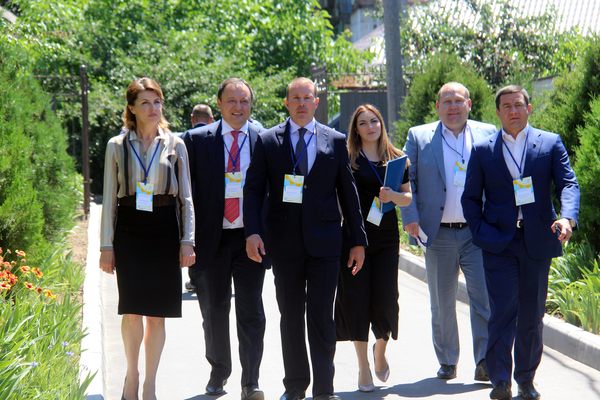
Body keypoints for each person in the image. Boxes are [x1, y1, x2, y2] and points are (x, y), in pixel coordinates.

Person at [244, 77, 367, 400]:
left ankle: (324, 389)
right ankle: (295, 386)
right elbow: (253, 190)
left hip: (325, 244)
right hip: (284, 245)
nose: (301, 103)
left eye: (307, 97)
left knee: (322, 316)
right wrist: (252, 232)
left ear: (316, 102)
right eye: (295, 98)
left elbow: (348, 193)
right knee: (291, 317)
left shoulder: (335, 140)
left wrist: (357, 240)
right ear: (286, 103)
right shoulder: (268, 140)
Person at [462, 85, 580, 400]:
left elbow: (568, 183)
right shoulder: (483, 149)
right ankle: (500, 381)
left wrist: (567, 218)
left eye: (518, 105)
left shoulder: (550, 143)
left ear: (529, 108)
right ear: (498, 112)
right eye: (507, 106)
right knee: (502, 311)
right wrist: (481, 233)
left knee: (531, 314)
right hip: (498, 243)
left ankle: (526, 380)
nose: (513, 111)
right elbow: (470, 198)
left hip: (537, 241)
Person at [99, 77, 196, 400]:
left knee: (157, 313)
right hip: (129, 230)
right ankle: (132, 375)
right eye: (145, 103)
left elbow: (186, 198)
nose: (153, 108)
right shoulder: (116, 145)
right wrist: (106, 246)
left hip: (164, 229)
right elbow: (109, 201)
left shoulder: (176, 144)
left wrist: (187, 240)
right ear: (131, 108)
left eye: (157, 102)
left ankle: (150, 383)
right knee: (132, 309)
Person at [400, 82, 495, 382]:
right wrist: (410, 217)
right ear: (437, 106)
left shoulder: (488, 133)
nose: (453, 107)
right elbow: (407, 179)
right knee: (442, 303)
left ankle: (485, 360)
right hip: (437, 233)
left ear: (469, 104)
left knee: (484, 299)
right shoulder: (419, 136)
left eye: (458, 101)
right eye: (447, 101)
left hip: (477, 234)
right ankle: (447, 360)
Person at [182, 78, 267, 400]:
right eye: (232, 101)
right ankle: (219, 371)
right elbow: (186, 193)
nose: (238, 107)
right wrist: (186, 238)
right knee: (214, 311)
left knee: (251, 312)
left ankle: (251, 382)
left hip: (250, 239)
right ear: (219, 104)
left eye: (244, 101)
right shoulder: (196, 140)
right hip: (211, 240)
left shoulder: (263, 139)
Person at [334, 104, 412, 392]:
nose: (370, 127)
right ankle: (363, 366)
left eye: (374, 121)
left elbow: (408, 197)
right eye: (363, 123)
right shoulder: (347, 159)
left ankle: (380, 349)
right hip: (355, 237)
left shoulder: (397, 158)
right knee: (356, 300)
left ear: (382, 124)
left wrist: (393, 196)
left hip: (386, 238)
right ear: (355, 129)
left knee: (386, 298)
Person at [184, 103, 214, 293]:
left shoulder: (185, 137)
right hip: (214, 200)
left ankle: (195, 279)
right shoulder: (217, 137)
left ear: (192, 118)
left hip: (192, 200)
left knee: (194, 240)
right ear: (211, 119)